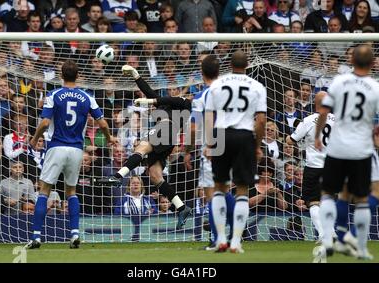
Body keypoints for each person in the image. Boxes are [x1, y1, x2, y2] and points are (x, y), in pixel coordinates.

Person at [25, 59, 117, 249]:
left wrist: (34, 140)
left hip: (56, 146)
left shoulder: (54, 95)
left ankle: (36, 236)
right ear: (78, 76)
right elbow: (103, 123)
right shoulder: (87, 97)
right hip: (76, 149)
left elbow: (43, 123)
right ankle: (74, 234)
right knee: (71, 192)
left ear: (61, 75)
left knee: (44, 190)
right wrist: (109, 138)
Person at [314, 45, 379, 260]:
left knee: (330, 192)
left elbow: (324, 111)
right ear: (372, 62)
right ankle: (359, 245)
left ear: (352, 61)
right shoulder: (376, 87)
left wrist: (317, 136)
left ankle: (332, 238)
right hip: (361, 150)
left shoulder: (339, 81)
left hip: (337, 147)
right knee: (363, 198)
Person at [97, 64, 193, 230]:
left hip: (166, 129)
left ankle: (117, 177)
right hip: (165, 137)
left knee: (141, 148)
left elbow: (167, 99)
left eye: (176, 89)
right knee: (155, 176)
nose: (173, 91)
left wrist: (151, 101)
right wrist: (135, 74)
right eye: (170, 89)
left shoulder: (183, 103)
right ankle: (182, 208)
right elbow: (148, 90)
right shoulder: (162, 105)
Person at [204, 50, 267, 253]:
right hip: (244, 136)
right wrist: (257, 145)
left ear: (229, 65)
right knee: (242, 189)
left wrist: (209, 143)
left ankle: (220, 239)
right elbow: (261, 120)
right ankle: (236, 242)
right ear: (247, 65)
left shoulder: (217, 85)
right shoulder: (257, 86)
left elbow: (209, 116)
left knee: (219, 187)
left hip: (221, 134)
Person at [188, 54, 235, 251]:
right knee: (225, 191)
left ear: (202, 72)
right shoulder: (229, 92)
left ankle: (218, 240)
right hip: (232, 142)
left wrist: (187, 150)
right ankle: (237, 231)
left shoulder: (202, 96)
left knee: (211, 194)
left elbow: (193, 128)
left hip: (212, 145)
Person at [286, 91, 335, 243]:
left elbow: (291, 141)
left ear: (315, 103)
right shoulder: (338, 120)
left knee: (313, 202)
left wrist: (290, 137)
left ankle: (322, 234)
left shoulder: (308, 120)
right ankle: (332, 232)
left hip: (314, 166)